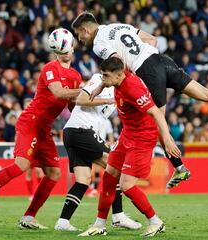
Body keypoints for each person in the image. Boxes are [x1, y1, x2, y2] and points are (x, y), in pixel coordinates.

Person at [71, 11, 208, 188]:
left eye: (79, 34)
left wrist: (103, 85)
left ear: (85, 29)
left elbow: (117, 66)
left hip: (147, 71)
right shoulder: (118, 26)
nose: (80, 39)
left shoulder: (99, 44)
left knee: (158, 121)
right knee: (207, 94)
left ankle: (179, 168)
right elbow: (152, 39)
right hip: (162, 60)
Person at [0, 41, 81, 229]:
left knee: (54, 173)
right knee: (22, 165)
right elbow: (58, 92)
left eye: (68, 46)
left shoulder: (76, 76)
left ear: (72, 48)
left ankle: (28, 217)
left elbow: (70, 104)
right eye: (61, 48)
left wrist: (88, 102)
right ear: (55, 51)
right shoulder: (50, 68)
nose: (66, 51)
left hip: (44, 127)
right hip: (31, 121)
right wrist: (86, 90)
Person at [79, 57, 170, 237]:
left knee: (126, 186)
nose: (102, 78)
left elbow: (156, 113)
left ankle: (155, 222)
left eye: (105, 76)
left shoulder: (132, 88)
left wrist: (167, 139)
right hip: (127, 135)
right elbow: (117, 66)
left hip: (142, 138)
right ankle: (99, 224)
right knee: (109, 177)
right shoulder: (120, 74)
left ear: (119, 75)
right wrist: (101, 86)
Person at [54, 73, 141, 231]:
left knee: (83, 180)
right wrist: (108, 100)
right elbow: (80, 99)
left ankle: (63, 221)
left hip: (75, 132)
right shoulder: (98, 78)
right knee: (115, 168)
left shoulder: (119, 90)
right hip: (81, 130)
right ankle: (118, 216)